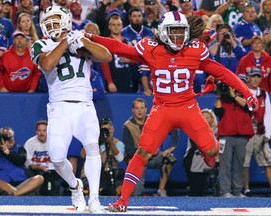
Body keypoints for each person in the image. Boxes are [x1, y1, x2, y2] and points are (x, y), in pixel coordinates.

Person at [88, 12, 258, 212]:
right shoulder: (150, 48)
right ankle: (123, 200)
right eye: (173, 32)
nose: (178, 37)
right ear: (162, 32)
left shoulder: (195, 50)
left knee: (212, 151)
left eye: (181, 32)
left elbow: (222, 72)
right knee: (142, 153)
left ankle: (208, 156)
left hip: (188, 108)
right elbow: (120, 48)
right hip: (162, 109)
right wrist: (92, 38)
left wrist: (246, 92)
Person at [30, 5, 111, 213]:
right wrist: (66, 41)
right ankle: (75, 186)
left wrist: (83, 41)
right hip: (59, 106)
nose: (52, 25)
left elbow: (106, 56)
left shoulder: (78, 38)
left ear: (66, 21)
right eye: (48, 22)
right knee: (56, 157)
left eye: (56, 20)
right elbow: (47, 65)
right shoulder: (41, 44)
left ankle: (94, 199)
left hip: (84, 104)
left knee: (92, 146)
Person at [123, 98, 176, 197]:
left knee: (169, 159)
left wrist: (172, 146)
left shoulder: (153, 120)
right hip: (137, 158)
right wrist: (148, 151)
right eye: (137, 108)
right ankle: (136, 195)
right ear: (133, 110)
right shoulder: (128, 126)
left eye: (141, 108)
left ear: (146, 109)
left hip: (154, 156)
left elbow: (173, 128)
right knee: (136, 193)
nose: (139, 110)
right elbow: (129, 150)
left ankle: (161, 190)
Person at [214, 81, 255, 197]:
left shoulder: (248, 97)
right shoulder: (224, 99)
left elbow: (248, 106)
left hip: (241, 136)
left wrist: (234, 96)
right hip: (226, 136)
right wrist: (219, 95)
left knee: (239, 164)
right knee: (224, 164)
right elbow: (218, 111)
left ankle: (237, 191)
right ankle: (225, 191)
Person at [0, 127, 44, 196]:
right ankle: (19, 194)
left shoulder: (19, 149)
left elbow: (20, 161)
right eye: (5, 138)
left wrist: (6, 150)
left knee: (39, 178)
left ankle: (15, 194)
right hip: (3, 186)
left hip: (21, 184)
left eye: (10, 138)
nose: (9, 141)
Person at [243, 68, 271, 197]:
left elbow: (268, 114)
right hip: (247, 132)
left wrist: (268, 134)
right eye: (253, 76)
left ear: (261, 78)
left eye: (258, 77)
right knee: (245, 162)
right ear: (248, 78)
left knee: (268, 161)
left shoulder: (264, 94)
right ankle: (246, 188)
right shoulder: (243, 92)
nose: (255, 79)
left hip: (260, 132)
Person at [183, 109, 218, 197]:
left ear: (212, 119)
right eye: (203, 117)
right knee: (196, 189)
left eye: (208, 117)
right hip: (193, 160)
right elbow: (197, 147)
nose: (205, 119)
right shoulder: (194, 131)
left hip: (210, 160)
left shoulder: (217, 131)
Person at [24, 120, 63, 196]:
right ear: (36, 132)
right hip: (34, 170)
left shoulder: (54, 142)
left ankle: (53, 195)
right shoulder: (30, 143)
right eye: (39, 130)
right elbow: (28, 163)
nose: (42, 133)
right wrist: (40, 167)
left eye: (44, 130)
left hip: (52, 170)